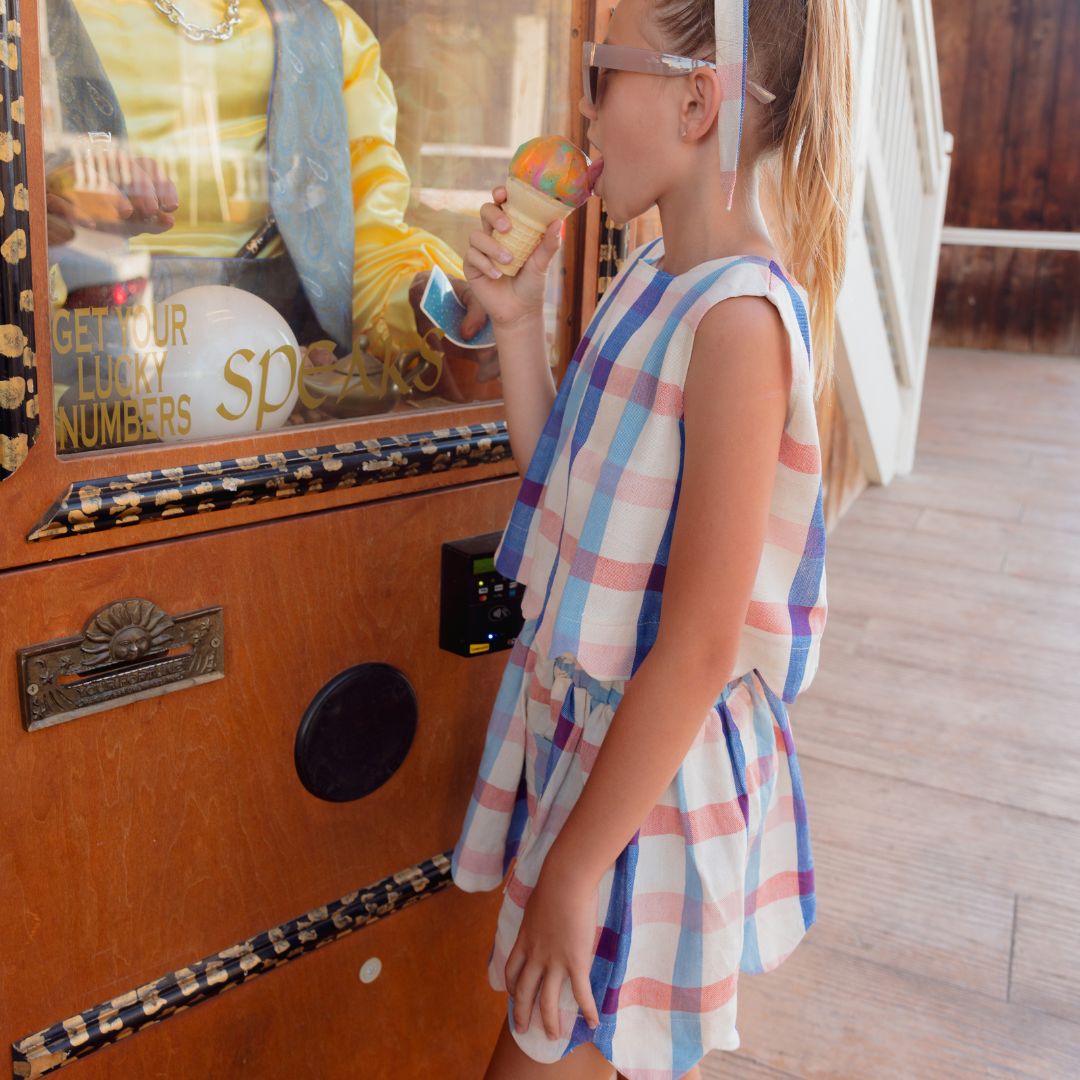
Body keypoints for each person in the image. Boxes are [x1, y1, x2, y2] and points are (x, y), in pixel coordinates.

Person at [450, 0, 852, 1076]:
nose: (578, 111)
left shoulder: (737, 323)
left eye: (598, 75)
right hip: (594, 756)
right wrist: (522, 317)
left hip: (645, 796)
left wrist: (577, 869)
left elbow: (699, 647)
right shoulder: (644, 282)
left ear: (695, 100)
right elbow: (570, 497)